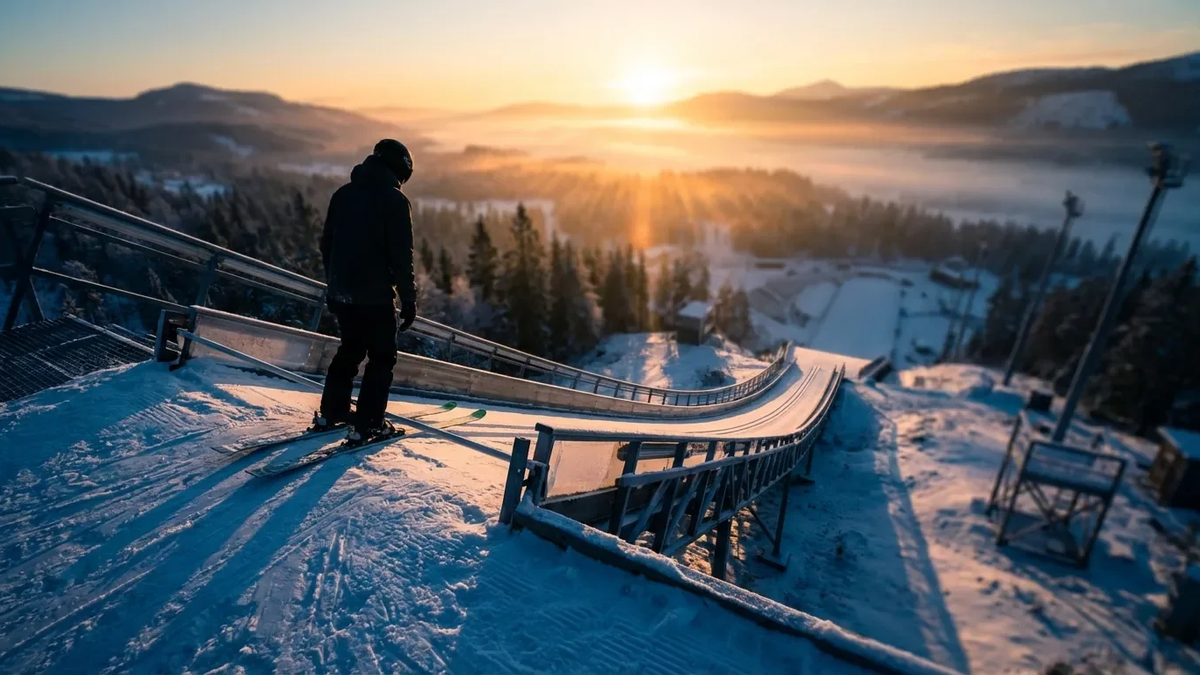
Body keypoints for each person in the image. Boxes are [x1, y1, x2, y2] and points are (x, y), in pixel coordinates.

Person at [315, 139, 418, 443]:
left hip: (343, 293)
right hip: (374, 296)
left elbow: (327, 246)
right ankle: (369, 424)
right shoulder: (395, 202)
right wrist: (409, 299)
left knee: (350, 350)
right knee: (382, 357)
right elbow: (401, 256)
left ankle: (331, 412)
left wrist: (335, 283)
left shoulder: (343, 195)